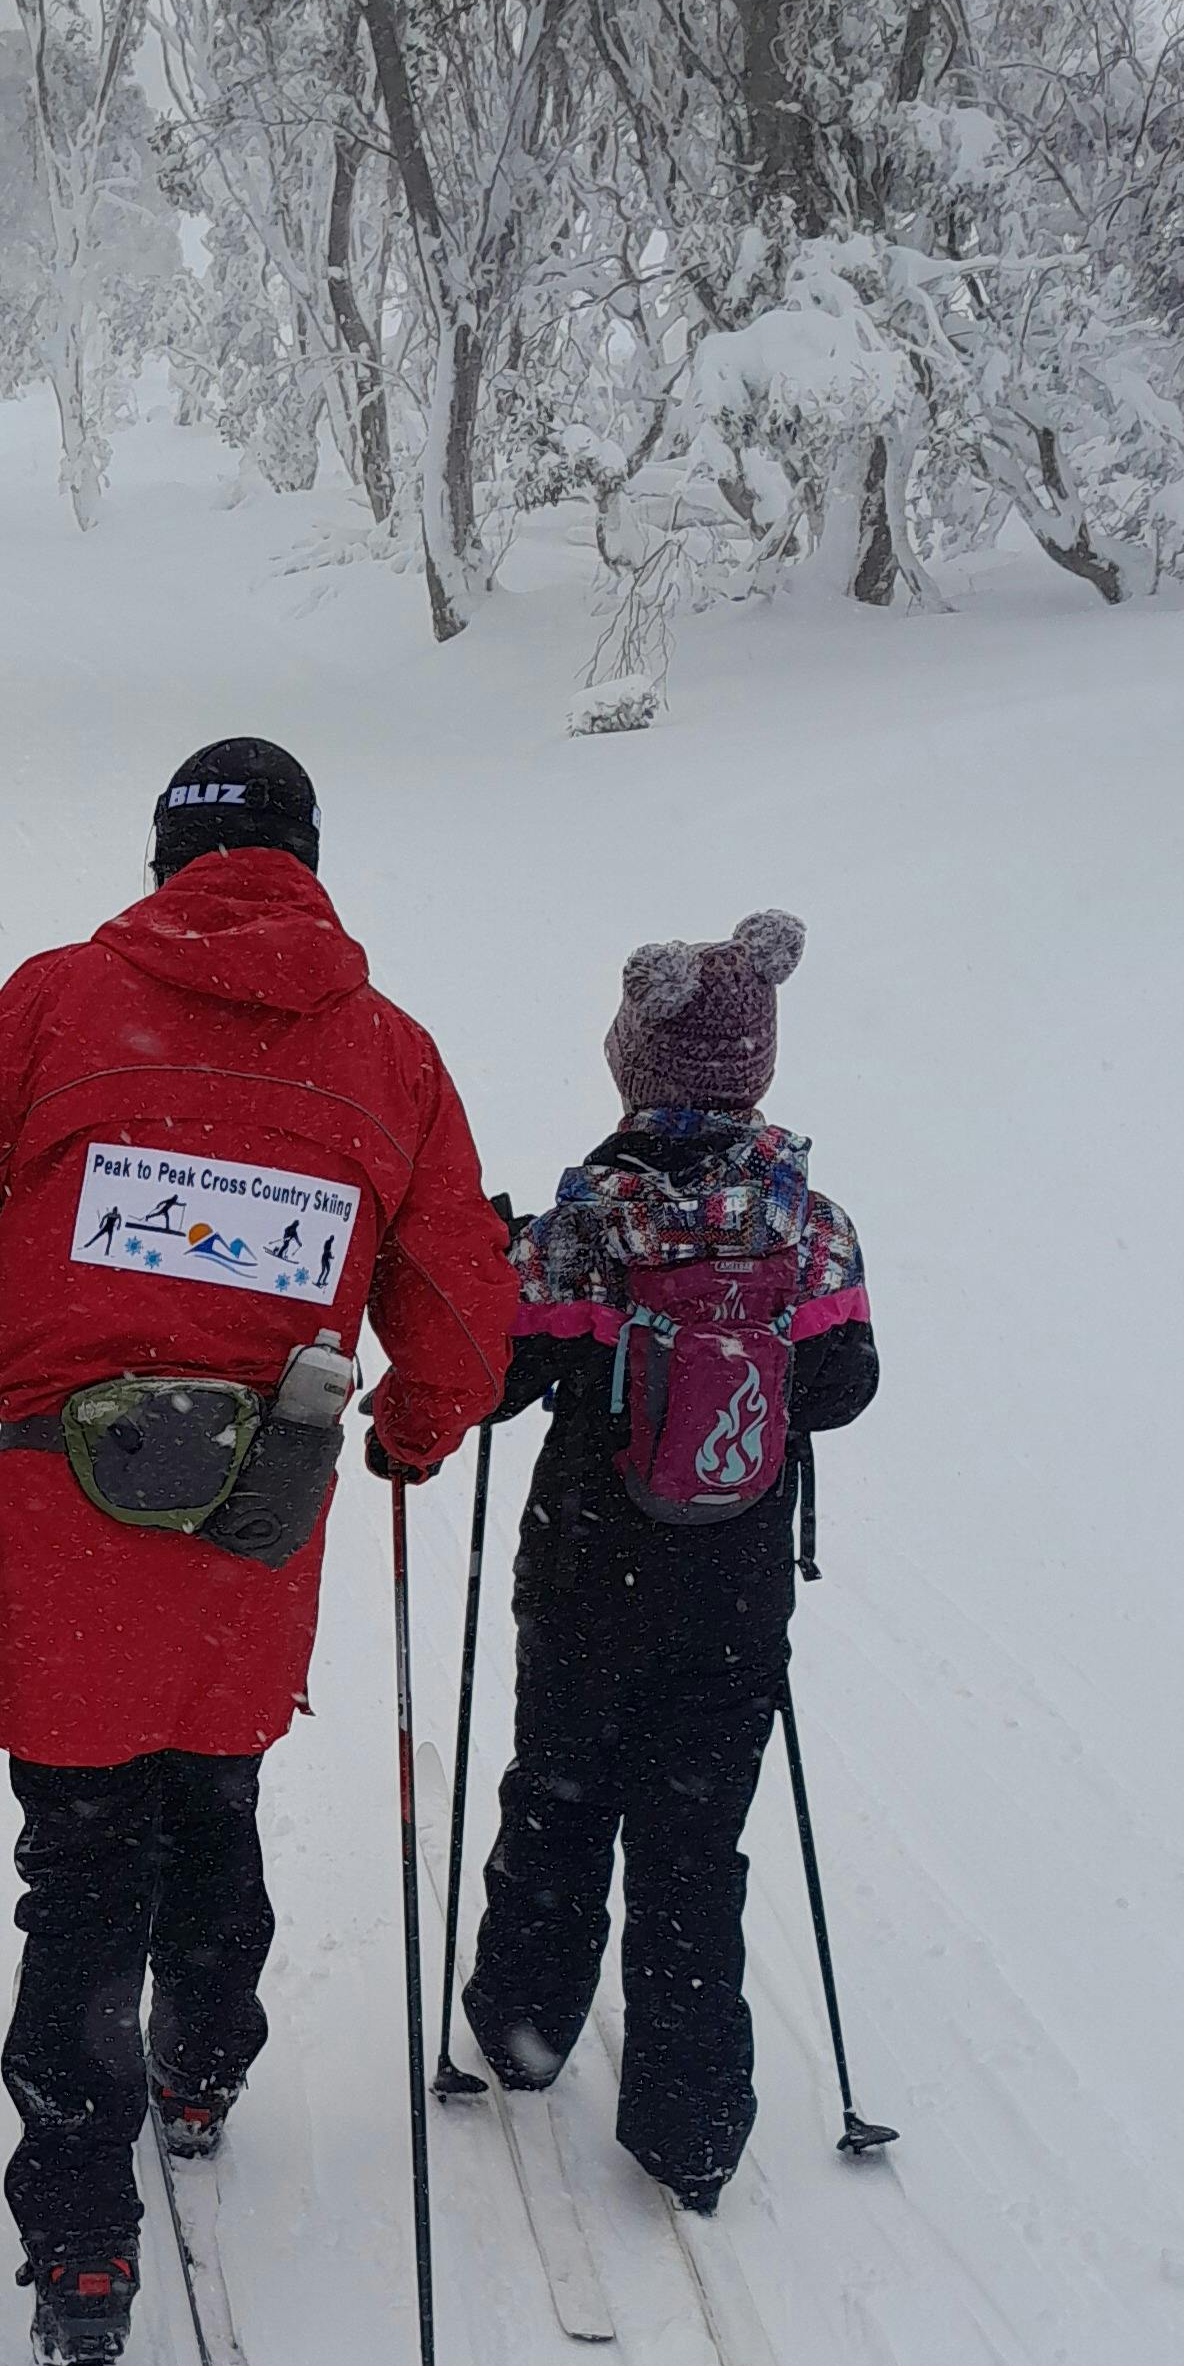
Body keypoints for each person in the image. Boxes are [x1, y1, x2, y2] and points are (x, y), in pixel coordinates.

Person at [0, 737, 517, 2366]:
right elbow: (458, 1312)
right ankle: (205, 2058)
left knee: (81, 1867)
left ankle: (83, 2248)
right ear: (309, 858)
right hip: (252, 1521)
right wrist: (416, 1428)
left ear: (166, 858)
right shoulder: (393, 1059)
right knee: (209, 1791)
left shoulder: (59, 1003)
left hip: (66, 1511)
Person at [457, 911, 877, 2211]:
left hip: (591, 1571)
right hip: (733, 1582)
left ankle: (526, 2030)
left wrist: (490, 1263)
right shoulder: (809, 1217)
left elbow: (498, 1376)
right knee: (697, 1845)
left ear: (636, 1063)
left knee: (563, 1799)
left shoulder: (596, 1214)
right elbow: (847, 1380)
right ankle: (693, 2127)